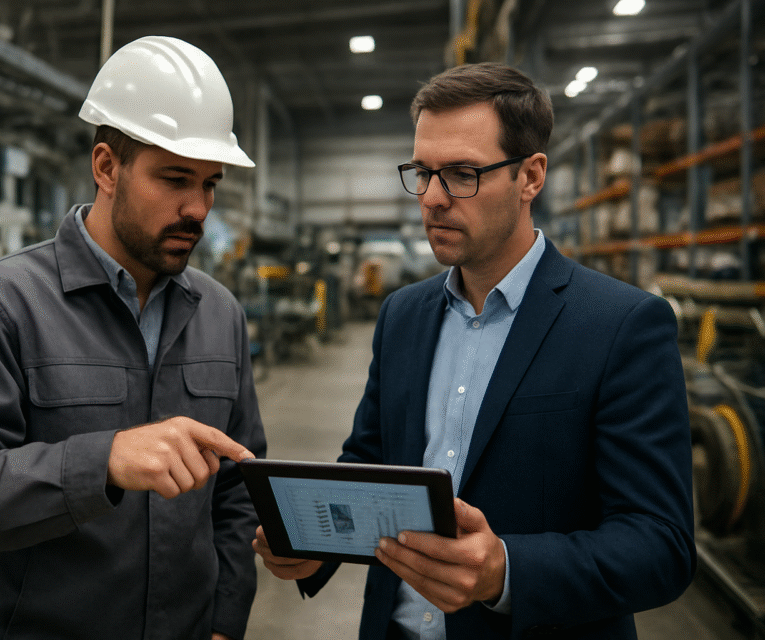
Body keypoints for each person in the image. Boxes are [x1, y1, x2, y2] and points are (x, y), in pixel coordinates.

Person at [254, 62, 695, 639]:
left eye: (462, 173)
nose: (433, 199)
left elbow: (660, 545)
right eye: (423, 172)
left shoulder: (621, 325)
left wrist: (505, 571)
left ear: (530, 176)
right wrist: (315, 546)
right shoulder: (403, 316)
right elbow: (368, 463)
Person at [0, 36, 266, 640]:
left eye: (209, 184)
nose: (197, 209)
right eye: (175, 178)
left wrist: (225, 617)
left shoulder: (219, 313)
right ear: (106, 167)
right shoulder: (2, 304)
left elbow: (239, 488)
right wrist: (102, 462)